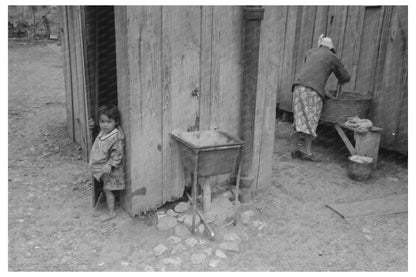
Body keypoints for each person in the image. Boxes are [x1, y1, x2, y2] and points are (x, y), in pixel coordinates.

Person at [291, 34, 351, 162]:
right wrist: (342, 80)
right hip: (312, 92)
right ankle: (307, 152)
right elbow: (345, 76)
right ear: (331, 48)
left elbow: (311, 74)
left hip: (298, 87)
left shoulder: (310, 52)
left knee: (299, 120)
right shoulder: (332, 57)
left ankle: (296, 150)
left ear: (320, 45)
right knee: (311, 120)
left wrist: (322, 89)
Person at [88, 105, 126, 221]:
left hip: (110, 169)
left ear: (116, 122)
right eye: (102, 121)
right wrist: (93, 125)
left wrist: (110, 164)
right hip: (102, 166)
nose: (105, 124)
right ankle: (106, 205)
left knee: (108, 190)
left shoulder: (116, 136)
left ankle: (111, 213)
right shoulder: (104, 131)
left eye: (109, 122)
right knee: (105, 187)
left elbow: (117, 153)